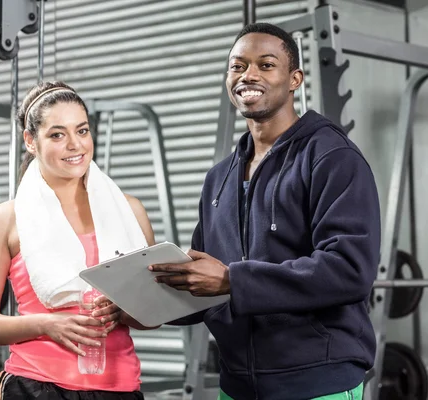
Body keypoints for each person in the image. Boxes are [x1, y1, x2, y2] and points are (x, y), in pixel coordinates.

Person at [150, 23, 381, 400]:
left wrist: (233, 281)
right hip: (238, 385)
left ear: (295, 79)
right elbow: (206, 280)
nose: (248, 75)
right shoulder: (219, 178)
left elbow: (349, 269)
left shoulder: (330, 157)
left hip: (316, 383)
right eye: (237, 66)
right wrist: (143, 307)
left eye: (265, 64)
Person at [0, 81, 156, 399]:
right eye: (57, 134)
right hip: (35, 386)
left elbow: (151, 317)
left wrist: (122, 310)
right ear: (31, 141)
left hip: (119, 386)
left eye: (82, 131)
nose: (75, 145)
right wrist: (46, 324)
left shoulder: (129, 211)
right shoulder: (6, 220)